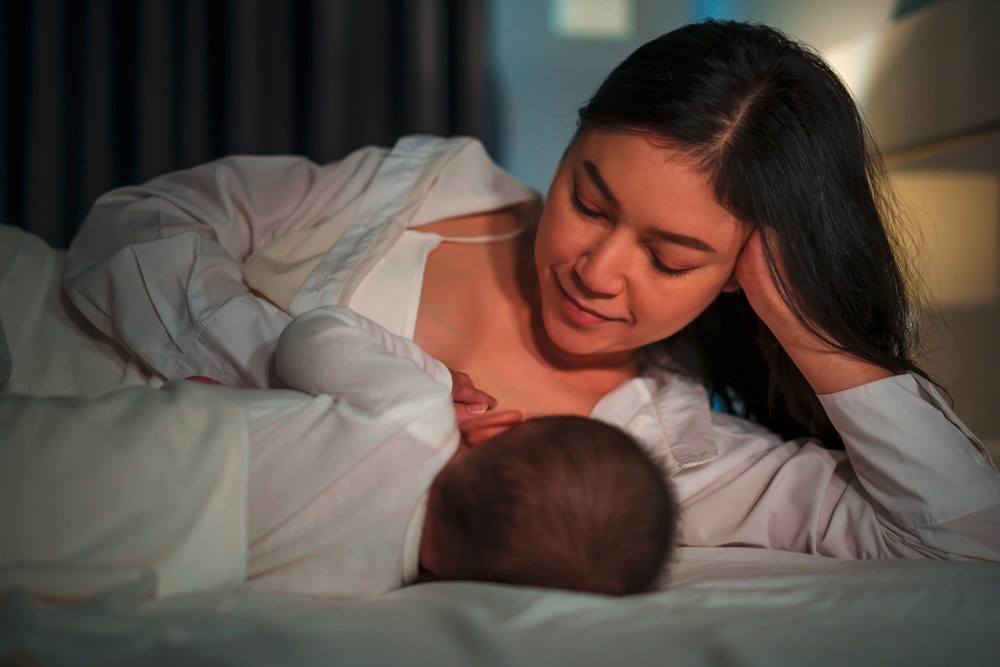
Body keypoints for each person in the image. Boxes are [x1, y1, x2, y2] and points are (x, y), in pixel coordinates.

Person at [58, 19, 1000, 561]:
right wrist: (289, 379)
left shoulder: (673, 461)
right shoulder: (425, 190)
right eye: (589, 200)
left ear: (741, 274)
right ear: (575, 134)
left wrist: (808, 326)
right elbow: (132, 226)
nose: (598, 270)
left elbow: (964, 540)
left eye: (672, 258)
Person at [0, 305, 677, 601]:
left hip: (155, 452)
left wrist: (435, 379)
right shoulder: (361, 583)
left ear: (498, 430)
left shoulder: (417, 413)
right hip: (136, 557)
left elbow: (313, 333)